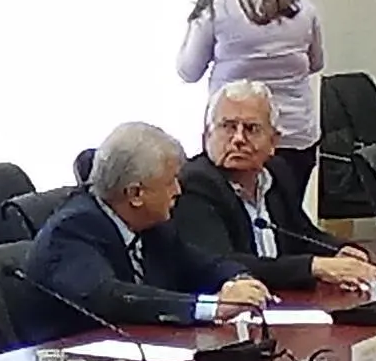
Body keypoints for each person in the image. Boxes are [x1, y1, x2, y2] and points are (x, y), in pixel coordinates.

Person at [16, 122, 275, 340]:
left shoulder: (151, 226)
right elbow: (115, 297)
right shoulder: (73, 230)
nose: (178, 191)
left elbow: (200, 264)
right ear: (135, 194)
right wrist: (213, 306)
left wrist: (239, 280)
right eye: (170, 182)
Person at [172, 81, 376, 290]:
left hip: (282, 299)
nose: (238, 139)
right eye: (228, 127)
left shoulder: (276, 172)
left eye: (251, 129)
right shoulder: (196, 183)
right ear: (207, 136)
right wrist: (314, 267)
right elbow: (222, 262)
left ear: (274, 141)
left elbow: (302, 234)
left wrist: (340, 251)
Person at [175, 0, 326, 163]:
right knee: (288, 189)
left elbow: (188, 70)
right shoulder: (300, 4)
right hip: (295, 135)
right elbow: (316, 63)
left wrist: (195, 17)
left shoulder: (217, 9)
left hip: (237, 139)